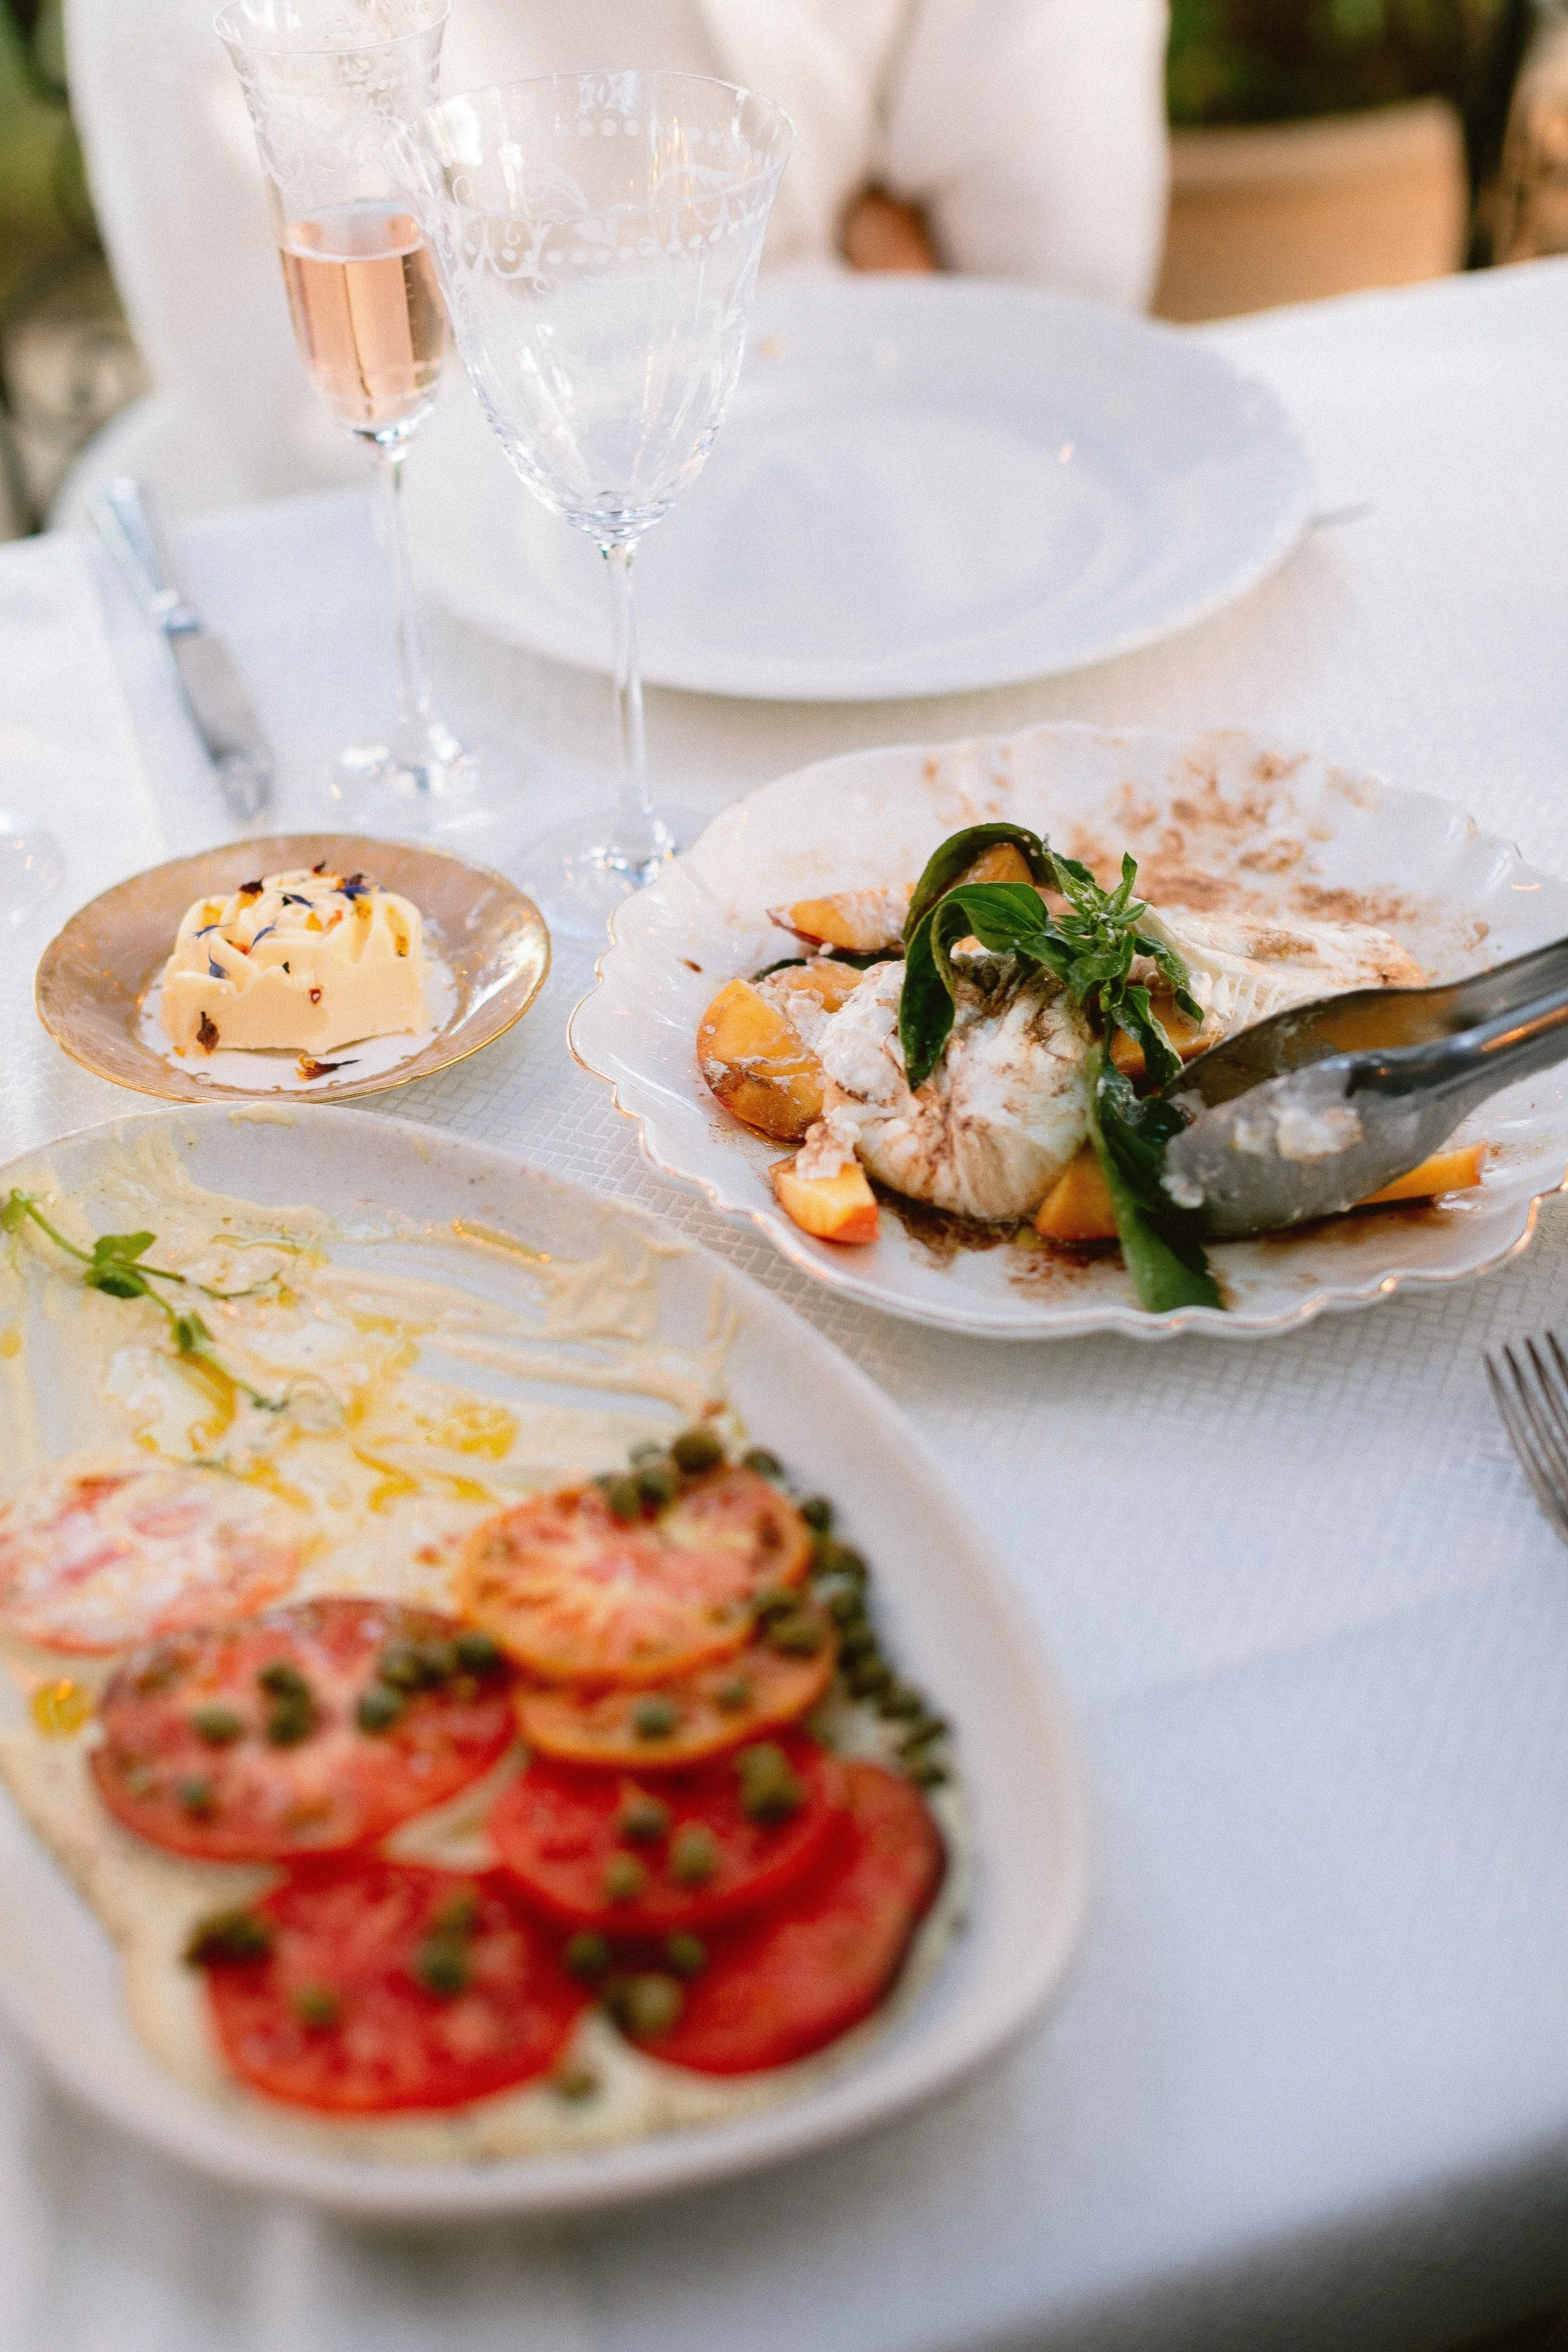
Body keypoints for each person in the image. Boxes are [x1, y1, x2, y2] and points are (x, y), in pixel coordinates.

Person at [57, 0, 1170, 521]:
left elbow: (1042, 298)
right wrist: (850, 248)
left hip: (887, 498)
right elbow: (332, 416)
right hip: (352, 544)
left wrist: (532, 309)